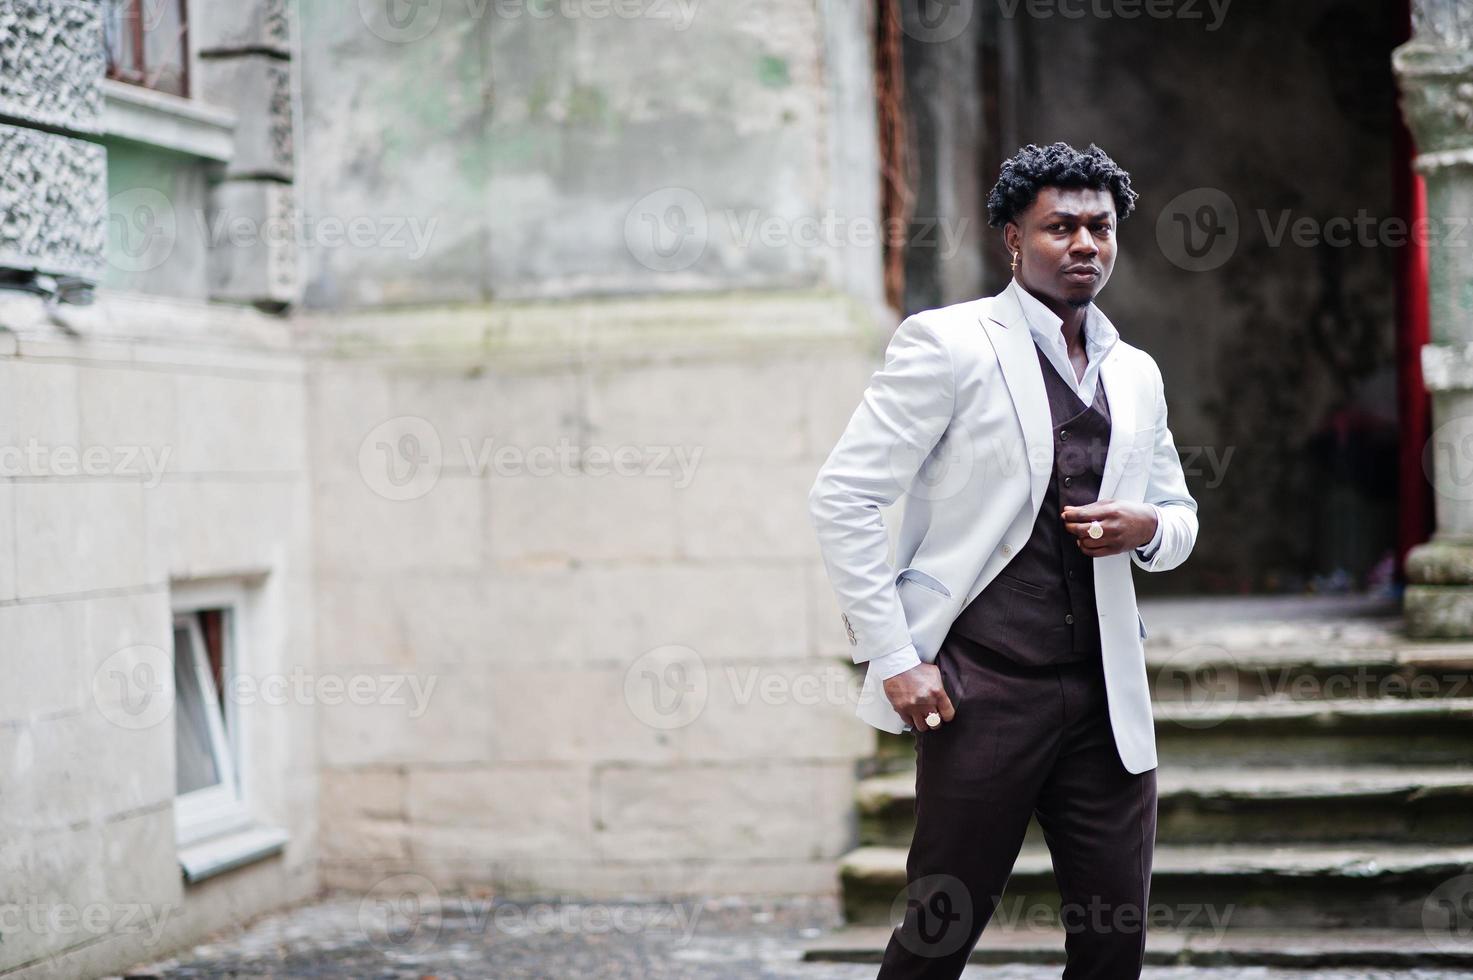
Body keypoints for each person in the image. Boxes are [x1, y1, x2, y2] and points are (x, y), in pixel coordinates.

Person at [807, 141, 1199, 978]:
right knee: (937, 931)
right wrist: (894, 656)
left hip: (1105, 697)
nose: (1085, 244)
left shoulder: (1135, 373)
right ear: (1013, 241)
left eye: (1100, 227)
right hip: (982, 687)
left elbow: (1178, 517)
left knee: (1112, 945)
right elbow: (842, 497)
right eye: (1060, 227)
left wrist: (1146, 529)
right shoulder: (946, 344)